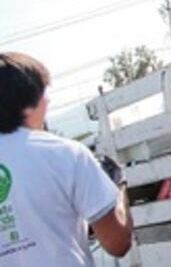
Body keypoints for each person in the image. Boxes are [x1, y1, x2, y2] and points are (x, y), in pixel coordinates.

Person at [0, 52, 133, 266]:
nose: (48, 101)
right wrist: (119, 189)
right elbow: (117, 243)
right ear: (27, 103)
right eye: (44, 93)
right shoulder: (65, 154)